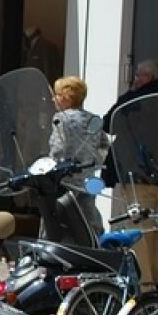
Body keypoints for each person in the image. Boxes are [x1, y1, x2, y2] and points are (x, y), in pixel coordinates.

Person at [102, 59, 158, 285]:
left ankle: (145, 285)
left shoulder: (133, 101)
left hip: (137, 175)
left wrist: (129, 95)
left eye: (138, 75)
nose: (134, 79)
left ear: (148, 77)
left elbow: (108, 124)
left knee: (140, 231)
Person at [48, 75, 109, 237]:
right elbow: (105, 145)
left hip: (64, 180)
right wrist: (93, 162)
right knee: (88, 222)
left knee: (55, 223)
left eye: (57, 95)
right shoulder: (93, 119)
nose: (53, 98)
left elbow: (57, 150)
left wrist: (49, 168)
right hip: (86, 179)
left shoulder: (61, 118)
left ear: (66, 98)